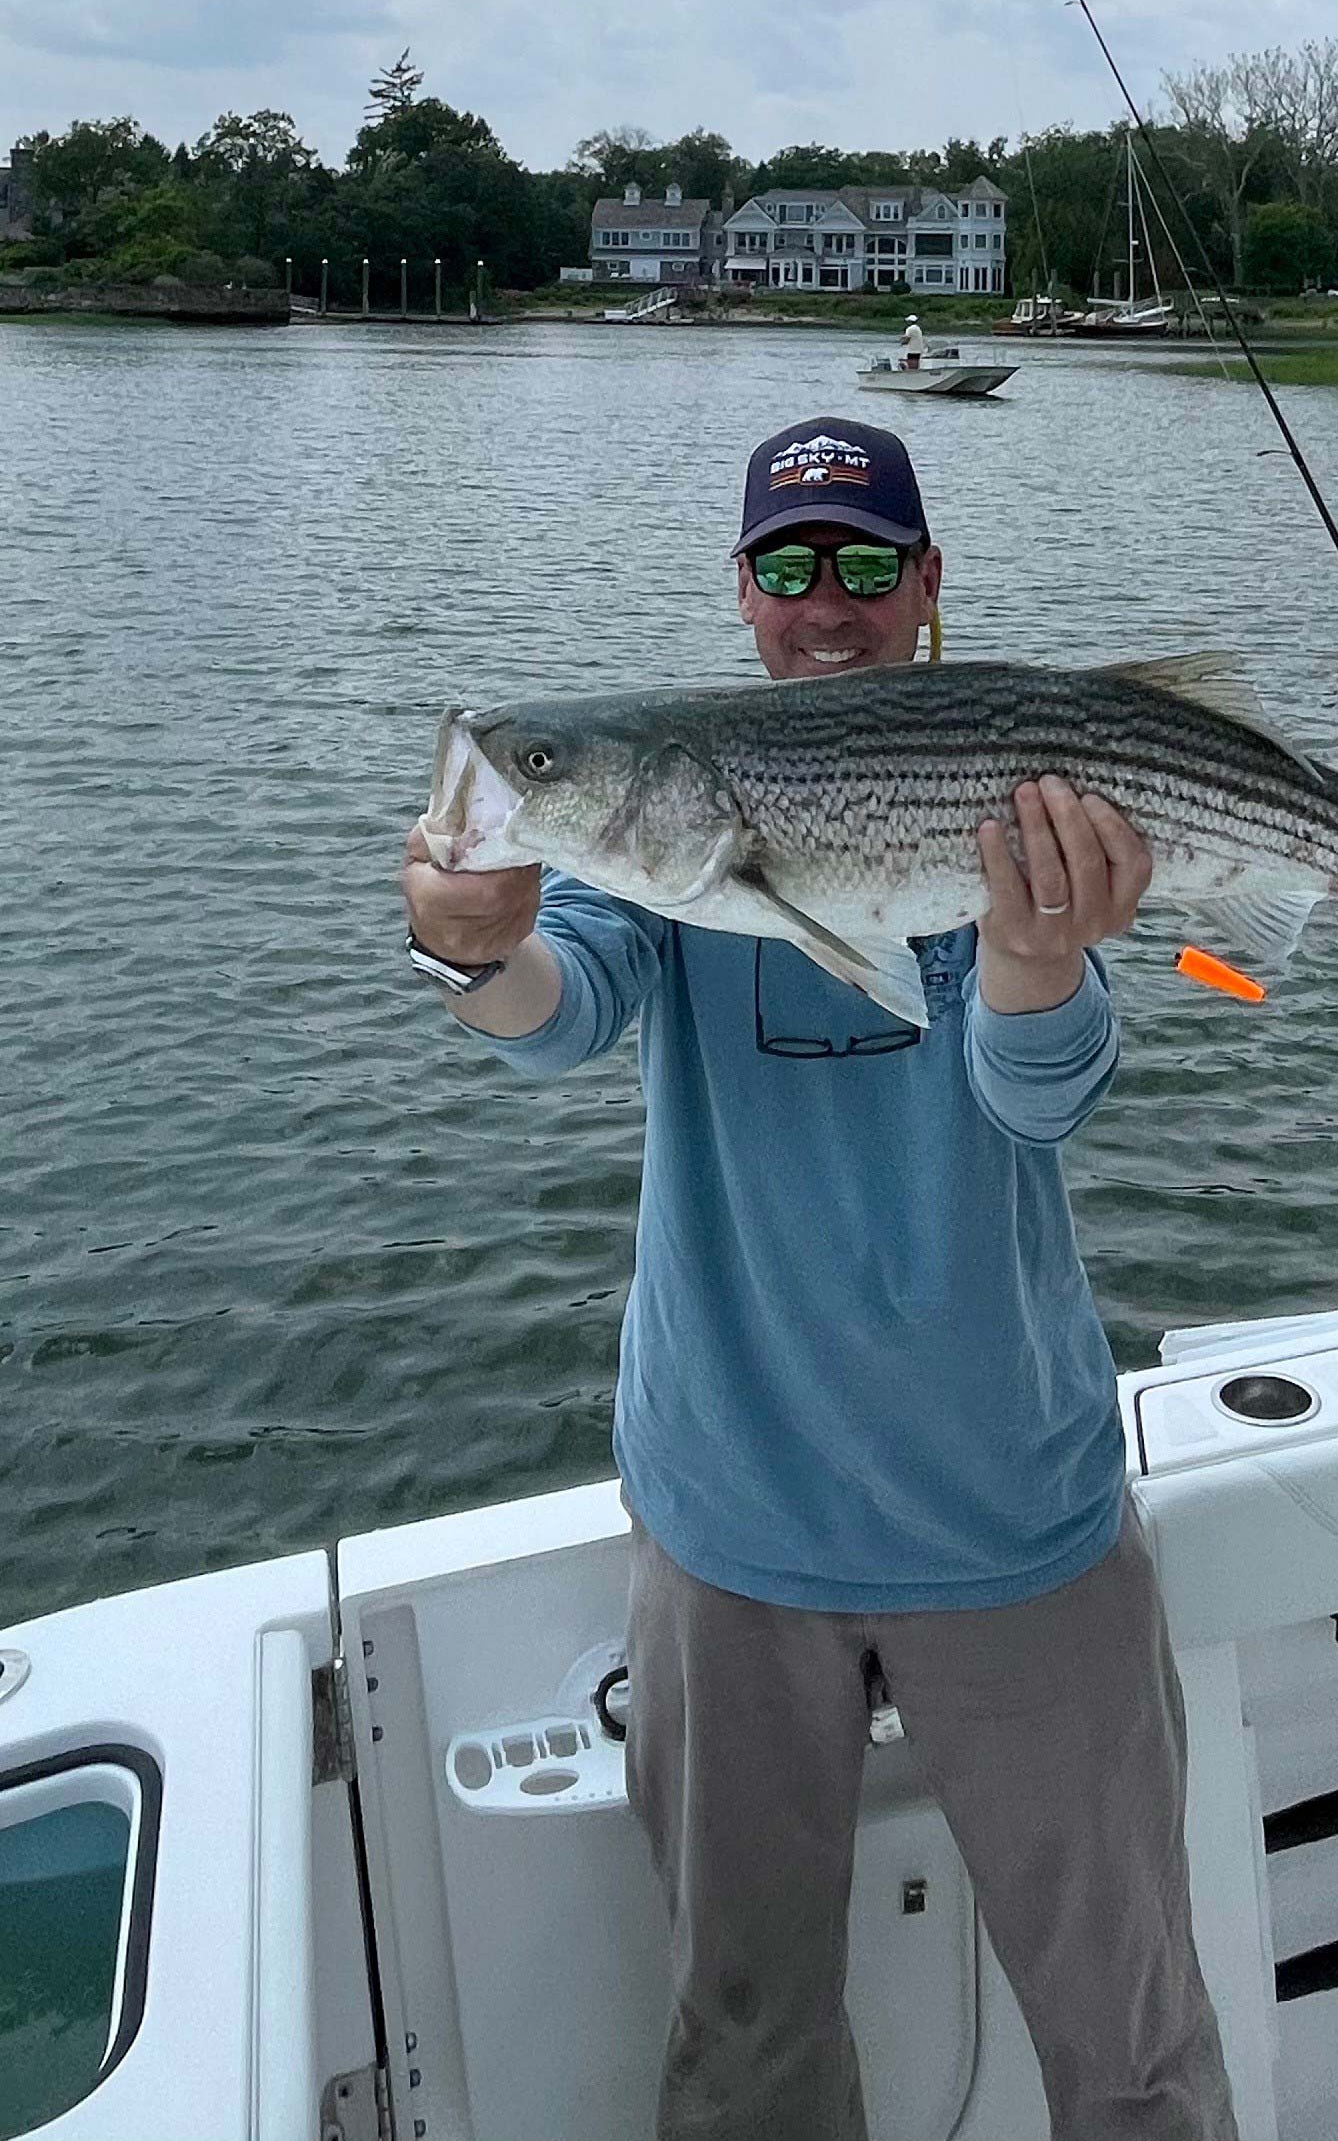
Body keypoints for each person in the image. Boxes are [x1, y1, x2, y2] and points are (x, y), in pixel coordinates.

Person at [398, 415, 1239, 2141]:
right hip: (731, 1531)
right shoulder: (676, 827)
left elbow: (1040, 1092)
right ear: (744, 596)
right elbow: (559, 1018)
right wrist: (461, 949)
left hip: (1012, 1520)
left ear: (928, 587)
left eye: (868, 561)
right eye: (788, 567)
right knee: (747, 2040)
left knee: (1131, 2037)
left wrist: (1029, 953)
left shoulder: (1008, 799)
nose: (827, 600)